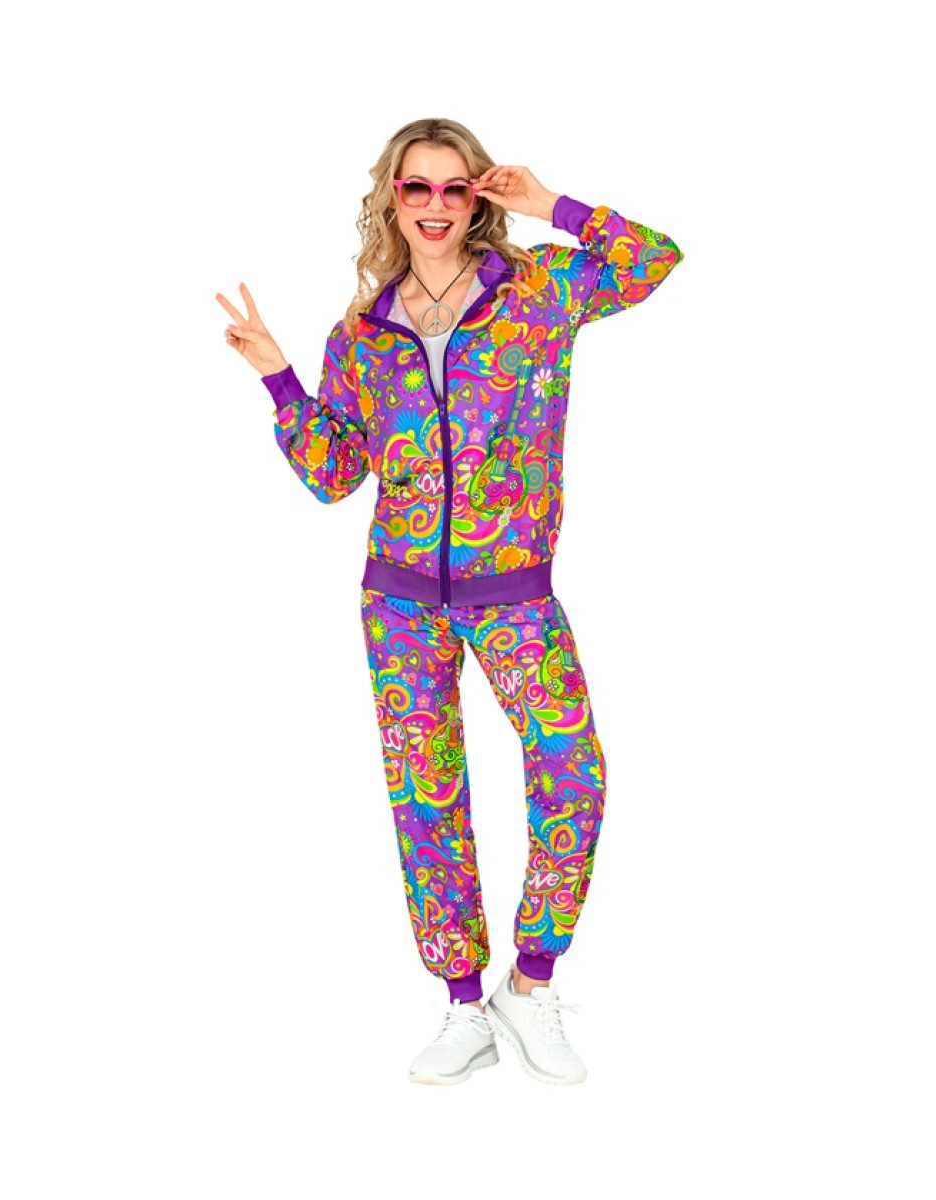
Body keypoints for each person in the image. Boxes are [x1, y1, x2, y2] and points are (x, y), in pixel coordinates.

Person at [216, 118, 681, 1085]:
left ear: (477, 197)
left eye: (453, 187)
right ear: (390, 196)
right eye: (416, 187)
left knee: (573, 773)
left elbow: (653, 259)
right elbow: (333, 474)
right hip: (399, 602)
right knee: (427, 798)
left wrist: (548, 203)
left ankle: (532, 980)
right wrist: (277, 375)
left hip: (514, 594)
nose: (434, 205)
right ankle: (464, 1002)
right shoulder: (361, 335)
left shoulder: (539, 293)